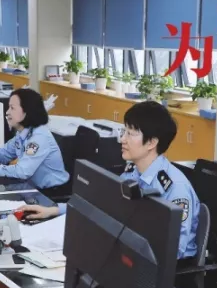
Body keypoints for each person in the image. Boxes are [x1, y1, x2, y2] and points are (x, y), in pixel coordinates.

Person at [19, 101, 201, 259]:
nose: (122, 139)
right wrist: (54, 210)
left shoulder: (175, 188)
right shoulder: (132, 173)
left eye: (130, 133)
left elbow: (173, 250)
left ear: (152, 142)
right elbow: (102, 203)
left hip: (165, 274)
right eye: (124, 131)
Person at [0, 88, 69, 193]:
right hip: (32, 186)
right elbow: (4, 152)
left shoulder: (39, 137)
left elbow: (22, 171)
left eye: (12, 108)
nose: (7, 112)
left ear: (27, 111)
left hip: (52, 192)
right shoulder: (22, 133)